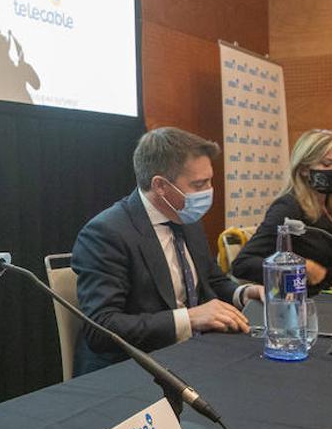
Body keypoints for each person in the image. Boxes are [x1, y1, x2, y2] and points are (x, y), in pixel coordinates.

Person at [71, 127, 264, 376]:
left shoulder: (187, 218)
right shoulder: (106, 233)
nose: (209, 191)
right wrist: (190, 318)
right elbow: (102, 327)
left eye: (209, 181)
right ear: (161, 185)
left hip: (192, 357)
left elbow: (211, 279)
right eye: (199, 184)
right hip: (131, 369)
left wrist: (244, 293)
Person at [232, 129, 332, 291]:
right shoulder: (287, 207)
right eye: (327, 164)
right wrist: (299, 267)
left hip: (328, 293)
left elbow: (325, 261)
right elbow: (243, 264)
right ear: (304, 169)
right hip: (296, 298)